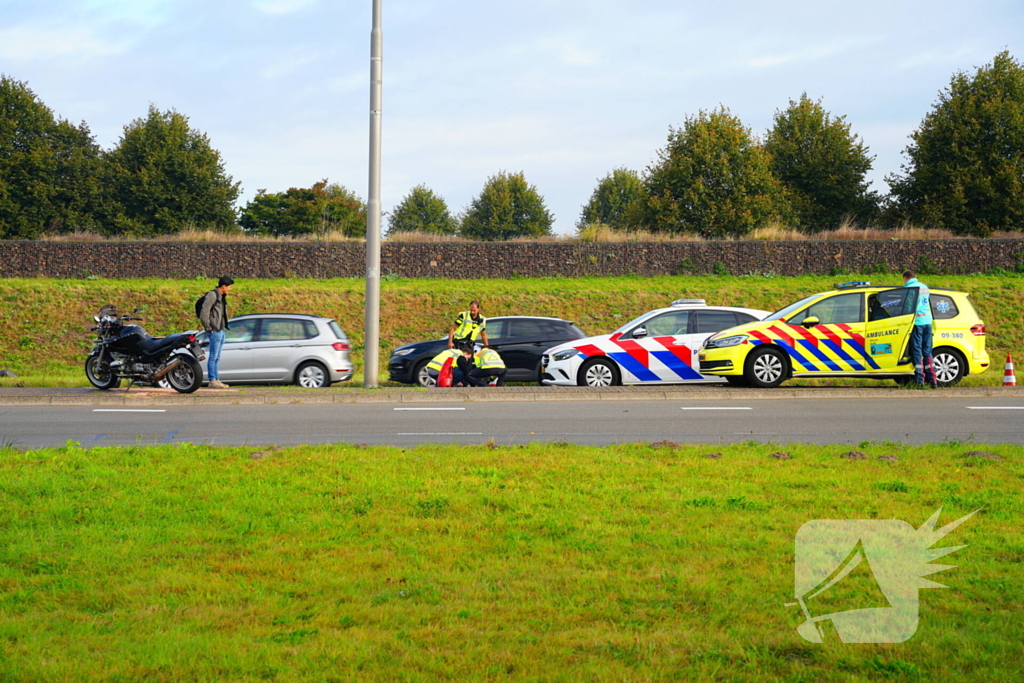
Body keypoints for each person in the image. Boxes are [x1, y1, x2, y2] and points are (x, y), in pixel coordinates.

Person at [903, 269, 937, 387]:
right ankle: (932, 379)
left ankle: (920, 379)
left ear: (906, 278)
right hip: (928, 321)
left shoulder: (910, 289)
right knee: (927, 351)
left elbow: (908, 306)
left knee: (917, 350)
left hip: (917, 322)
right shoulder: (924, 287)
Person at [198, 276, 234, 389]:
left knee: (217, 357)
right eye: (229, 287)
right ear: (223, 286)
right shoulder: (212, 295)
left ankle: (216, 379)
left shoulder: (221, 296)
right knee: (213, 357)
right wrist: (208, 328)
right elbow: (204, 312)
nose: (230, 289)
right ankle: (212, 380)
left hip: (220, 330)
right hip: (214, 330)